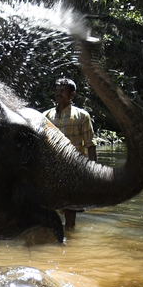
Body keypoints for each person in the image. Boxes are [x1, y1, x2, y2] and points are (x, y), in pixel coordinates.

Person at [42, 77, 97, 229]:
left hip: (73, 168)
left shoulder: (82, 116)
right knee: (46, 206)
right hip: (50, 168)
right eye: (57, 90)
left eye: (63, 91)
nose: (58, 94)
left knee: (70, 210)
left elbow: (90, 145)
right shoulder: (46, 116)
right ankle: (51, 237)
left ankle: (69, 237)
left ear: (72, 94)